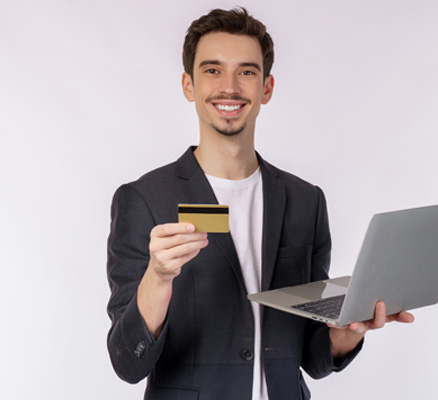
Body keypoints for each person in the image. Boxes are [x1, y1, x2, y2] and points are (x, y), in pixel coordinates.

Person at [106, 7, 414, 400]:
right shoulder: (145, 200)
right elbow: (127, 363)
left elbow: (309, 355)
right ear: (189, 85)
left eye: (247, 72)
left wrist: (344, 333)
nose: (230, 87)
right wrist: (158, 277)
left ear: (266, 87)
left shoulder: (306, 201)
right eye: (213, 70)